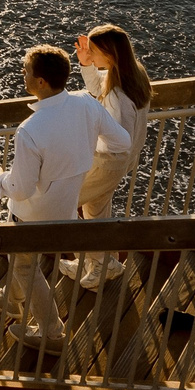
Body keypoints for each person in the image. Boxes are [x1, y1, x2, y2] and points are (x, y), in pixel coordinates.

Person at [0, 45, 134, 344]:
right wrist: (81, 152)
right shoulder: (87, 104)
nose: (23, 75)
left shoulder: (30, 130)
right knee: (23, 261)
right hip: (65, 210)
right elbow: (122, 141)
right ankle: (11, 299)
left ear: (41, 82)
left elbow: (22, 188)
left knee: (26, 266)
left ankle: (51, 333)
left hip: (30, 215)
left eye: (26, 71)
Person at [64, 24, 154, 288]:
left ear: (111, 55)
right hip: (120, 162)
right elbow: (97, 87)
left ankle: (103, 264)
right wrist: (86, 63)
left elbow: (117, 140)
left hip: (108, 162)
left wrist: (84, 139)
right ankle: (99, 264)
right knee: (96, 211)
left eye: (93, 50)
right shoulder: (132, 75)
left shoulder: (118, 94)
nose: (90, 53)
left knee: (63, 206)